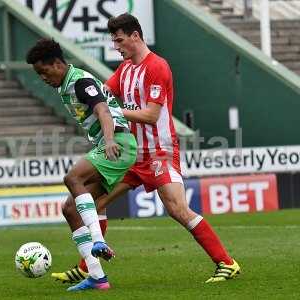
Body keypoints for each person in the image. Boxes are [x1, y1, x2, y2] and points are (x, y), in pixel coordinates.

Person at [52, 13, 240, 284]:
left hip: (159, 151)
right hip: (130, 155)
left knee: (177, 208)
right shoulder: (125, 69)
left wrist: (114, 111)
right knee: (97, 203)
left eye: (119, 40)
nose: (116, 47)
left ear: (135, 36)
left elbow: (151, 115)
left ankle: (226, 263)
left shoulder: (157, 67)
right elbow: (102, 95)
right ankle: (89, 268)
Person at [26, 38, 137, 291]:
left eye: (44, 71)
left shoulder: (80, 81)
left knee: (72, 178)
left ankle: (98, 240)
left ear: (56, 64)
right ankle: (98, 278)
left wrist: (109, 141)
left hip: (118, 143)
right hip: (110, 145)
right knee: (70, 209)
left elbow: (103, 111)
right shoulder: (65, 86)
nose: (42, 78)